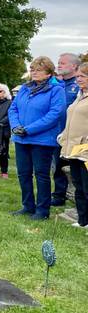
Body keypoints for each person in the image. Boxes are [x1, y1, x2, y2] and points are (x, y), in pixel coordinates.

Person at [8, 57, 66, 219]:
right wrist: (15, 126)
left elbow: (55, 115)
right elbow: (13, 109)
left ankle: (42, 210)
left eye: (38, 70)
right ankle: (28, 206)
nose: (34, 72)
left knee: (41, 175)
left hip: (42, 140)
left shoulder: (56, 90)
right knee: (23, 174)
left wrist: (28, 129)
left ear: (48, 73)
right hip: (21, 138)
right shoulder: (25, 89)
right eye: (32, 69)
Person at [58, 61, 88, 227]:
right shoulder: (79, 96)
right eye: (77, 76)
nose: (78, 79)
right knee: (79, 186)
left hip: (86, 151)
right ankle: (83, 221)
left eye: (82, 76)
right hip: (74, 149)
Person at [53, 53, 82, 206]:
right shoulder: (57, 85)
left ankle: (79, 199)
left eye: (63, 63)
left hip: (77, 136)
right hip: (58, 134)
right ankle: (58, 196)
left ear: (74, 66)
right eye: (58, 62)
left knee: (77, 169)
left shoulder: (78, 86)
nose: (59, 65)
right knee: (57, 166)